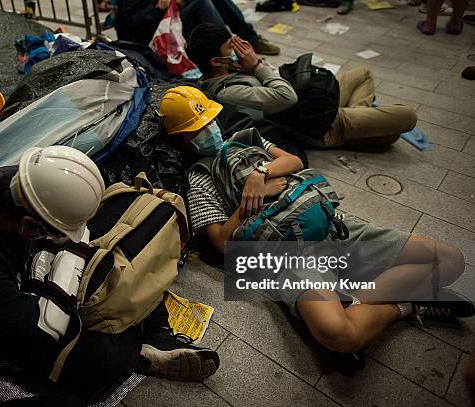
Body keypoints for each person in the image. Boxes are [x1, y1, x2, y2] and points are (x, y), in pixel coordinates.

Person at [159, 86, 474, 358]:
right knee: (339, 334)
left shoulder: (246, 139)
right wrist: (247, 203)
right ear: (180, 139)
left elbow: (294, 161)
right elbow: (223, 243)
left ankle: (358, 301)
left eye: (211, 120)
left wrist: (260, 174)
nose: (211, 129)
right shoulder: (198, 181)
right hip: (287, 254)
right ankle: (406, 304)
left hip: (330, 222)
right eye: (198, 128)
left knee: (451, 261)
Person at [0, 146, 219, 404]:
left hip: (20, 286)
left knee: (118, 272)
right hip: (1, 334)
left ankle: (152, 330)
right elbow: (43, 331)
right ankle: (137, 348)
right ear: (30, 225)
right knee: (97, 360)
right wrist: (70, 266)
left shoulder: (11, 182)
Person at [186, 23, 418, 149]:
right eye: (232, 46)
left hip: (315, 103)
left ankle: (358, 119)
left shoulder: (227, 69)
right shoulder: (228, 92)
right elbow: (287, 97)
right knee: (406, 118)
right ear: (215, 62)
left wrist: (252, 67)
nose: (240, 49)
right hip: (317, 123)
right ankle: (351, 127)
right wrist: (256, 65)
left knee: (362, 74)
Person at [114, 0, 280, 56]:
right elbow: (129, 26)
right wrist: (157, 9)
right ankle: (225, 53)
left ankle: (249, 40)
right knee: (202, 4)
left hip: (170, 23)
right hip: (149, 35)